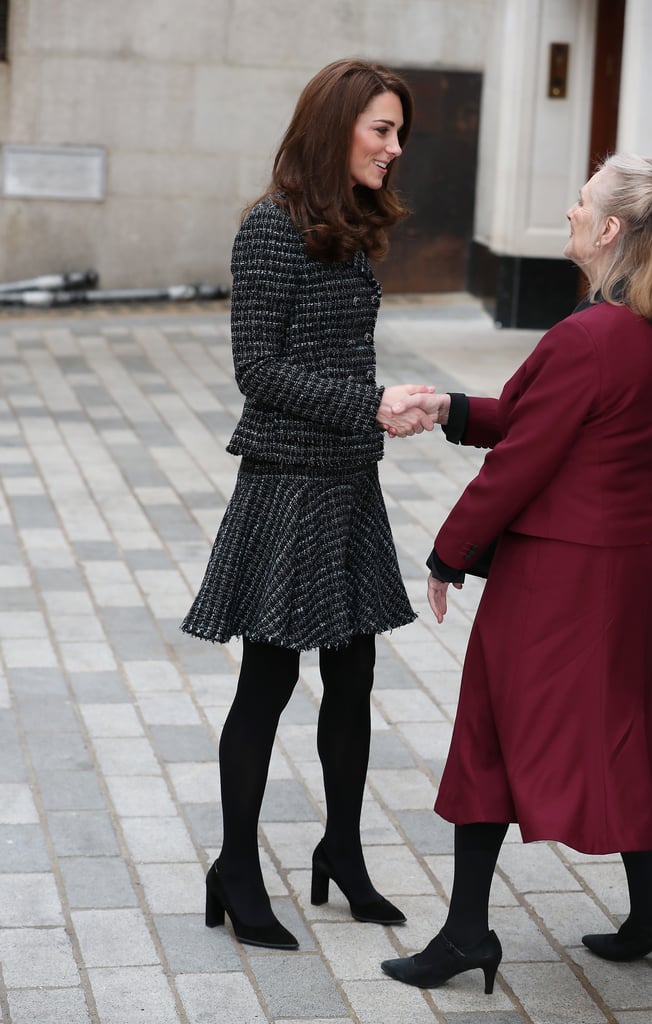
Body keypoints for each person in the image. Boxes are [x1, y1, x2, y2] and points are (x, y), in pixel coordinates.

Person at [380, 153, 652, 992]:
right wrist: (449, 408)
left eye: (580, 203)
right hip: (618, 567)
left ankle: (467, 934)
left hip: (559, 573)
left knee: (486, 724)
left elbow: (521, 462)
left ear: (610, 229)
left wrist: (449, 553)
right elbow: (541, 415)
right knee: (616, 725)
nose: (568, 212)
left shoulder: (585, 335)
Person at [181, 58, 438, 952]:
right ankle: (236, 869)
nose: (394, 148)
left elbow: (330, 359)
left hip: (348, 477)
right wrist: (364, 403)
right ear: (335, 129)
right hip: (288, 483)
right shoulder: (269, 229)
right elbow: (258, 372)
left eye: (398, 132)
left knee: (354, 675)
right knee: (270, 677)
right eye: (380, 129)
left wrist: (383, 403)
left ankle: (341, 850)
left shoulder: (350, 224)